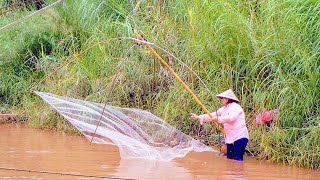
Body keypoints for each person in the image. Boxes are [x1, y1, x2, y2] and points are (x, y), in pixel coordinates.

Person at [190, 89, 249, 161]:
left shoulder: (235, 107)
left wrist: (217, 119)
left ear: (227, 99)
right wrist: (199, 117)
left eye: (222, 98)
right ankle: (231, 172)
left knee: (237, 158)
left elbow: (231, 118)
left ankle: (239, 171)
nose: (220, 100)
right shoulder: (224, 108)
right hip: (230, 137)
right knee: (229, 158)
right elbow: (213, 115)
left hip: (240, 136)